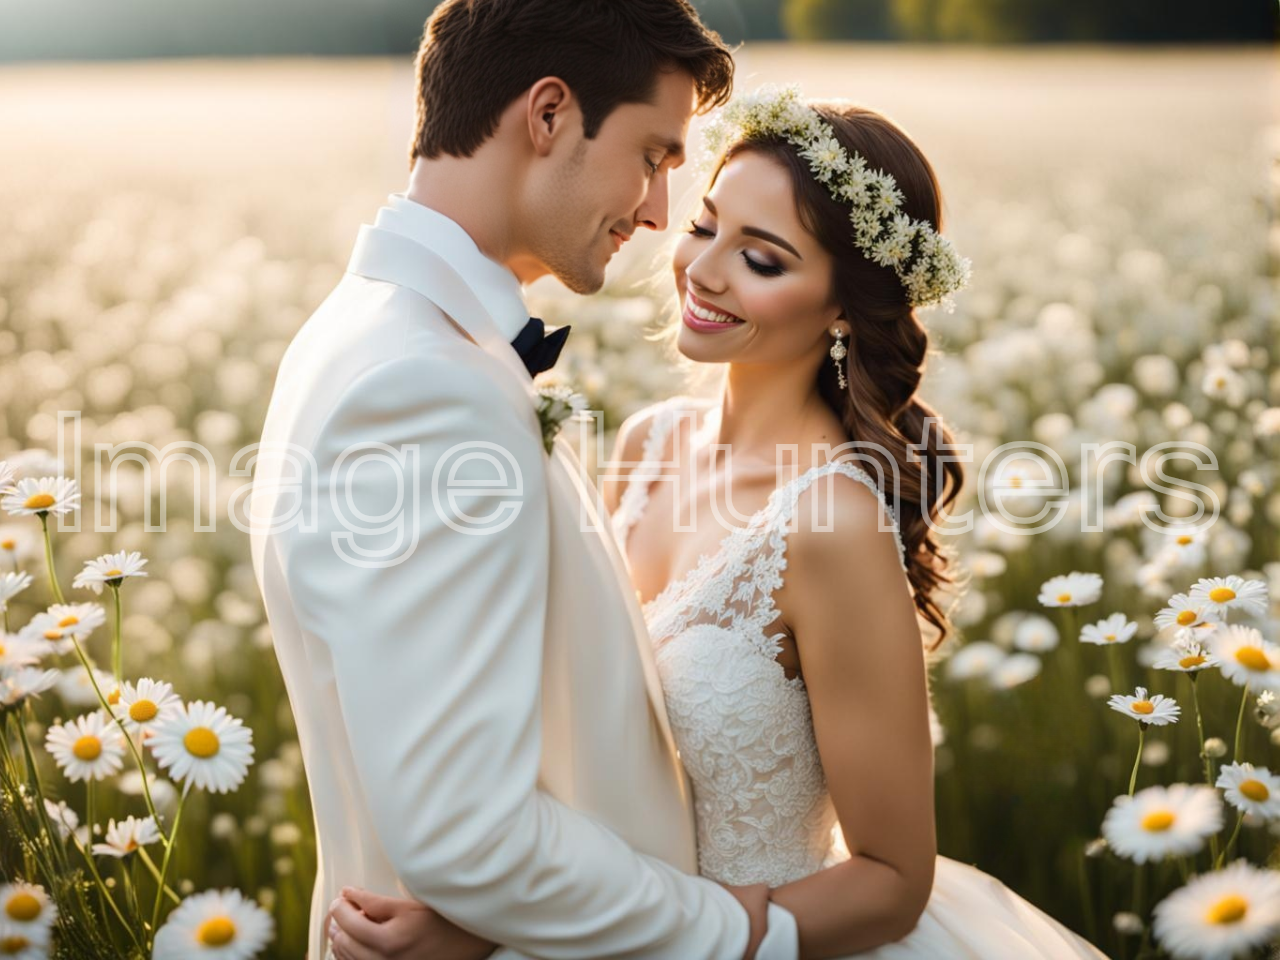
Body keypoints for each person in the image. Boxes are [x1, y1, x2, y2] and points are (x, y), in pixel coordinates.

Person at [328, 87, 1111, 959]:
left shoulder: (829, 524)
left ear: (845, 305)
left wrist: (701, 937)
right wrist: (492, 919)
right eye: (705, 227)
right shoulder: (646, 443)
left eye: (764, 261)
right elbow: (594, 762)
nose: (703, 271)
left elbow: (892, 882)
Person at [249, 1, 805, 958]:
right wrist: (725, 931)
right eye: (651, 156)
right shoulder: (425, 384)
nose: (657, 213)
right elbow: (467, 836)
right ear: (548, 115)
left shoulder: (370, 331)